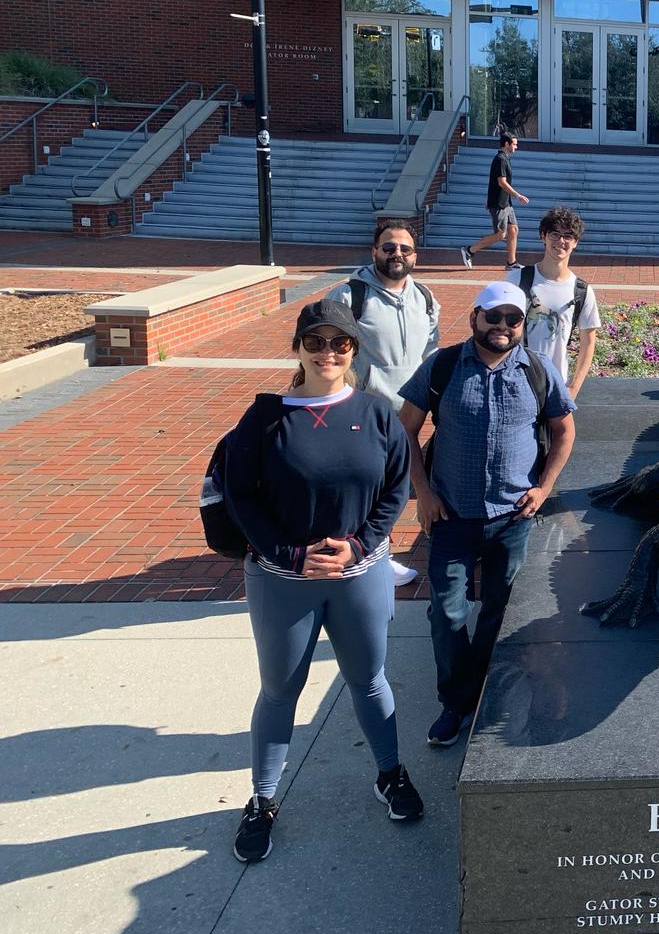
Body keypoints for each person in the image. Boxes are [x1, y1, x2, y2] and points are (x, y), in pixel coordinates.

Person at [223, 298, 422, 864]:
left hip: (358, 574)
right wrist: (287, 552)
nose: (327, 352)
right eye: (316, 341)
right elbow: (242, 497)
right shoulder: (265, 417)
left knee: (368, 678)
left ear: (353, 350)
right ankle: (262, 800)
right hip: (283, 580)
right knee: (281, 691)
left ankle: (390, 774)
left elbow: (395, 488)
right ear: (298, 348)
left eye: (340, 342)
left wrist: (360, 543)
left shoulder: (376, 412)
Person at [398, 281, 577, 748]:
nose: (502, 327)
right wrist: (424, 492)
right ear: (474, 317)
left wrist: (544, 488)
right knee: (447, 613)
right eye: (492, 317)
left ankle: (484, 692)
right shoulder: (442, 366)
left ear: (522, 325)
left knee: (500, 612)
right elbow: (406, 432)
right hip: (452, 515)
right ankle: (454, 702)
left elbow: (564, 431)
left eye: (512, 319)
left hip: (512, 517)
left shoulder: (536, 370)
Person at [327, 219, 440, 586]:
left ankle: (371, 554)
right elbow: (330, 355)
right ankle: (372, 558)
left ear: (414, 255)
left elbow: (431, 353)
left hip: (409, 412)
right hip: (366, 409)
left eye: (405, 249)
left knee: (391, 487)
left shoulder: (424, 296)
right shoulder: (349, 296)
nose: (397, 254)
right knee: (366, 486)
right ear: (375, 251)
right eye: (389, 247)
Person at [507, 206, 601, 397]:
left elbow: (589, 342)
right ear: (543, 237)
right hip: (515, 381)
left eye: (568, 236)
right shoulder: (516, 279)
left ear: (575, 242)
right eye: (555, 234)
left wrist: (574, 387)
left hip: (556, 386)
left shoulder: (582, 291)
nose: (561, 241)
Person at [461, 131, 529, 270]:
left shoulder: (505, 158)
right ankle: (470, 250)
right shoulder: (500, 159)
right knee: (500, 234)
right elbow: (501, 182)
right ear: (506, 144)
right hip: (499, 203)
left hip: (506, 202)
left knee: (514, 229)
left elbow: (493, 182)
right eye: (514, 144)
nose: (516, 147)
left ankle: (511, 263)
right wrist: (518, 195)